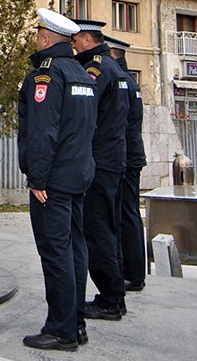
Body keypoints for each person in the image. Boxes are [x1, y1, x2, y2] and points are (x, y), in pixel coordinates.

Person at [19, 8, 97, 352]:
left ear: (47, 38)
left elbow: (42, 132)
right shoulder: (81, 73)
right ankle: (76, 321)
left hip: (53, 181)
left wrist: (37, 179)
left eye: (38, 34)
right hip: (79, 175)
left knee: (56, 253)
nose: (36, 39)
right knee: (75, 249)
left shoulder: (46, 77)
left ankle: (61, 329)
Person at [72, 19, 129, 320]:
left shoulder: (95, 68)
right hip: (114, 158)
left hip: (101, 162)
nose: (73, 44)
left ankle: (110, 299)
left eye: (75, 39)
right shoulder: (113, 66)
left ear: (86, 38)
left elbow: (85, 112)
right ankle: (114, 296)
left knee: (98, 232)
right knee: (110, 228)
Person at [105, 35, 147, 291]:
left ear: (112, 54)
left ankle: (132, 274)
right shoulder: (130, 80)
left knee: (126, 216)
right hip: (131, 155)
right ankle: (134, 271)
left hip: (126, 157)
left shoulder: (121, 81)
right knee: (128, 214)